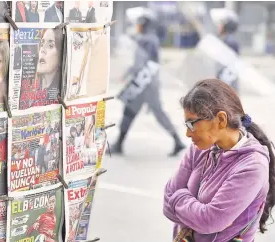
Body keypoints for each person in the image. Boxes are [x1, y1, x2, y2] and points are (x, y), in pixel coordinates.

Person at [163, 79, 275, 241]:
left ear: (221, 120)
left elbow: (209, 221)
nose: (187, 133)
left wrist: (179, 196)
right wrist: (196, 210)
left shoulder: (252, 165)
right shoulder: (200, 148)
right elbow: (167, 205)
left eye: (191, 124)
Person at [112, 13, 185, 156]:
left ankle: (177, 141)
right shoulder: (151, 39)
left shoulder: (146, 40)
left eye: (139, 24)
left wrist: (131, 76)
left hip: (144, 83)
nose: (137, 26)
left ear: (143, 25)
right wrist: (127, 74)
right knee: (141, 112)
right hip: (148, 82)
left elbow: (141, 63)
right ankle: (177, 140)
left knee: (131, 112)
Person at [35, 28, 63, 102]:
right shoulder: (31, 88)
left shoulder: (60, 91)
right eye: (42, 44)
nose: (42, 50)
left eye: (50, 46)